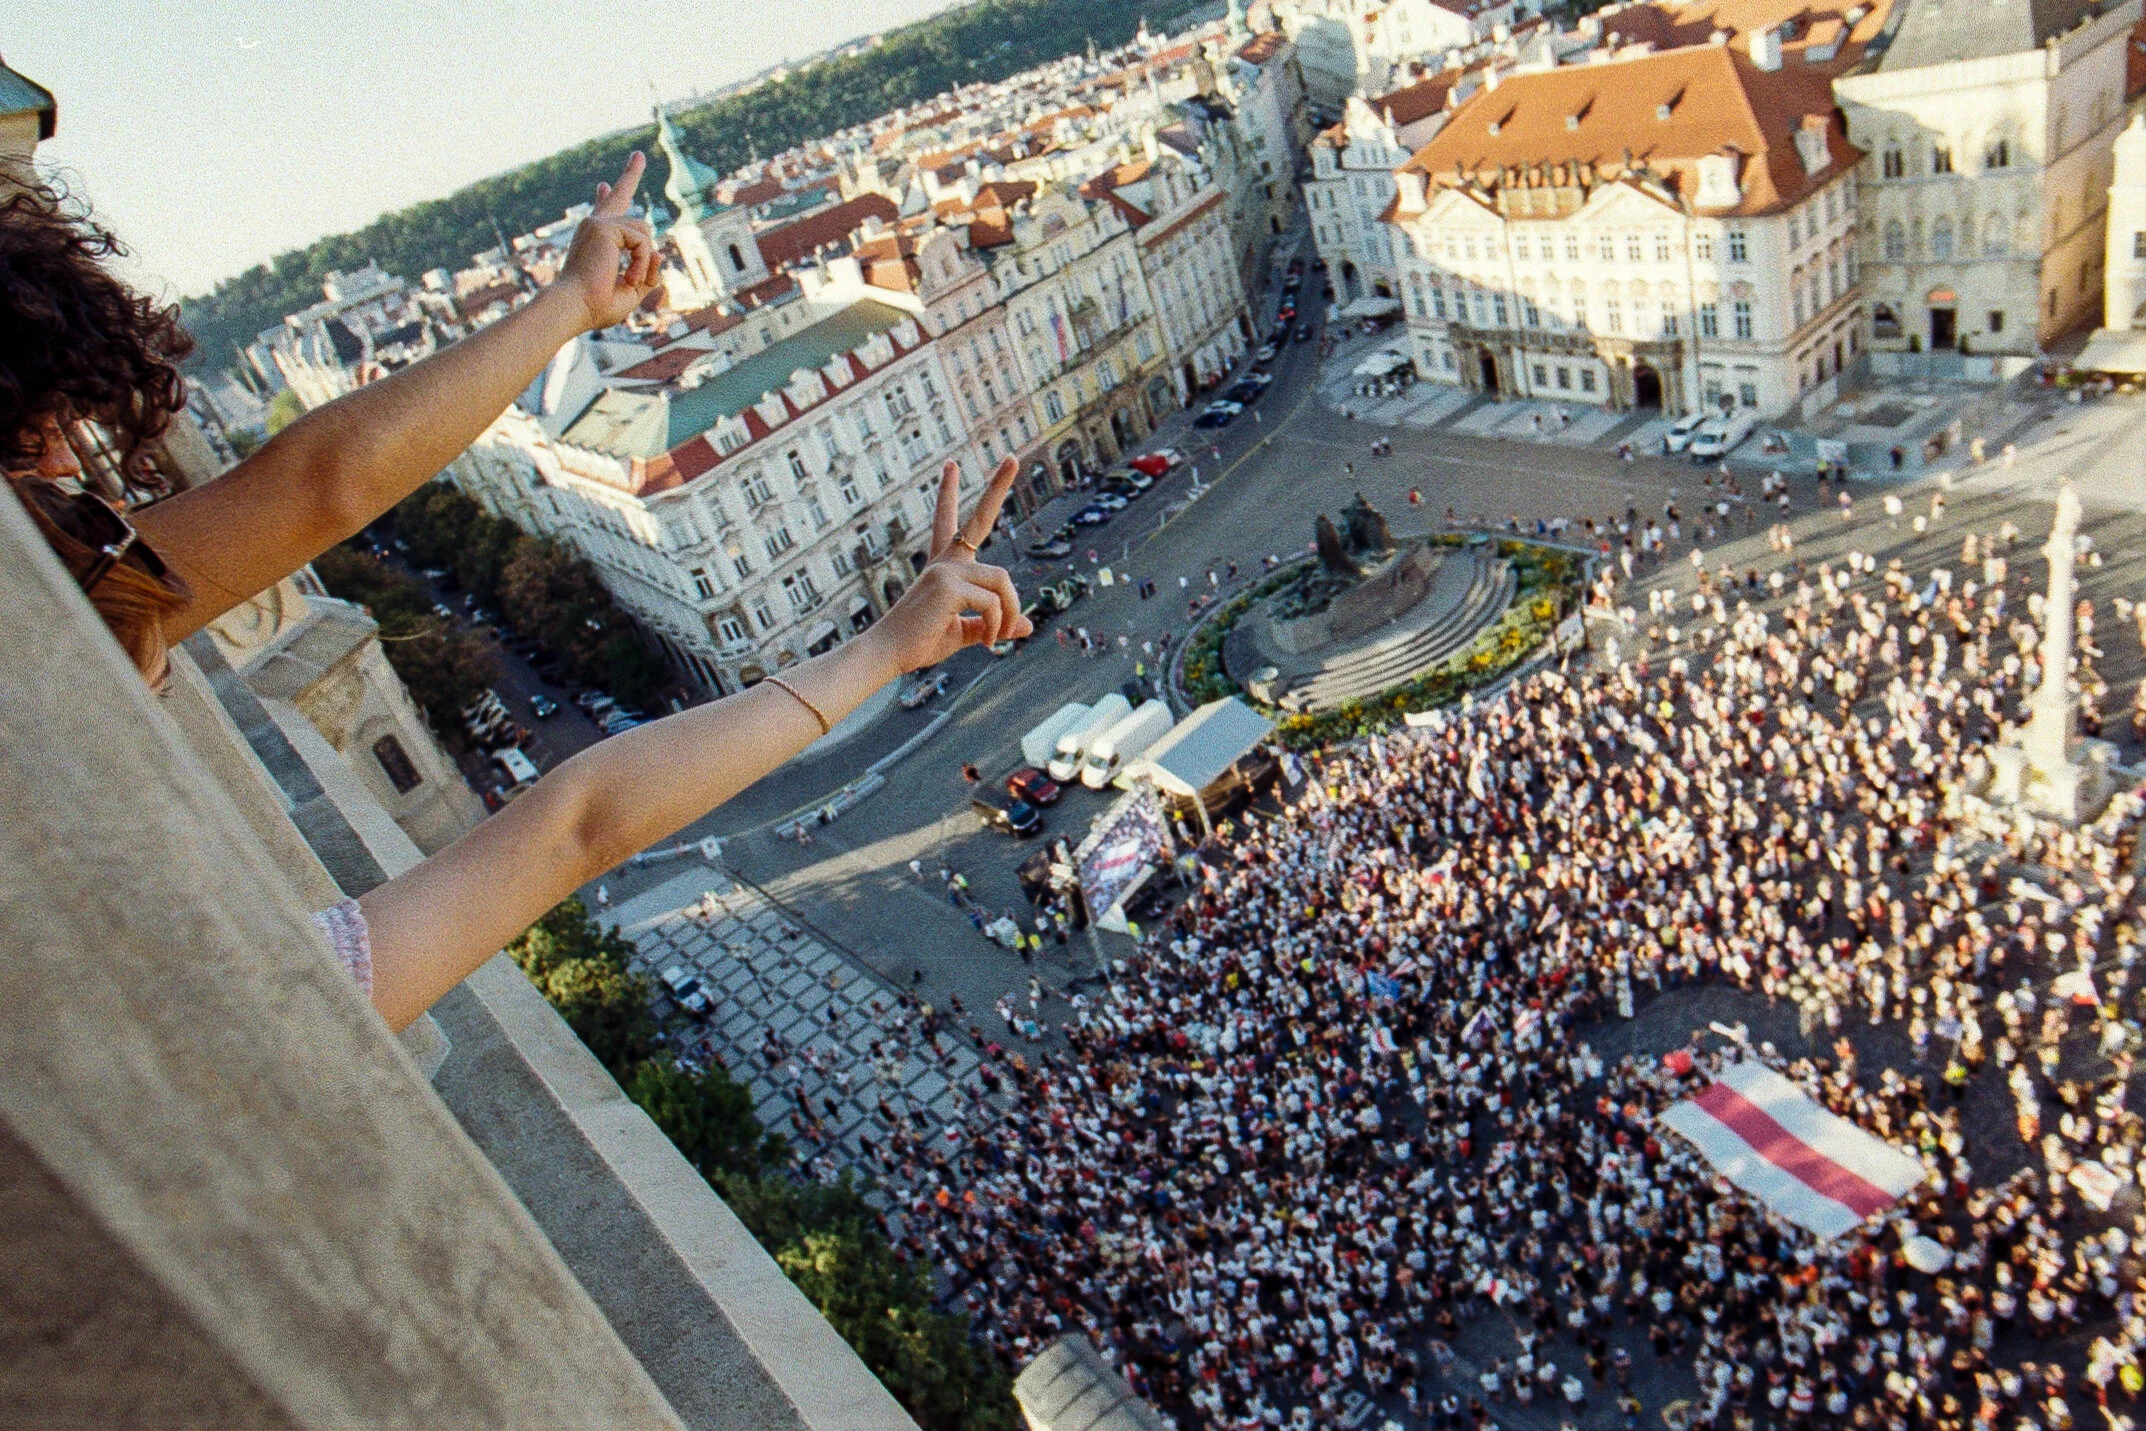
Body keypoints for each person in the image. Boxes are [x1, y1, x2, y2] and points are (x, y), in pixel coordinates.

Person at [2, 159, 1031, 1034]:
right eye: (39, 456)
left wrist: (571, 306)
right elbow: (577, 826)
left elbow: (324, 487)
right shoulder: (258, 1006)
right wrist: (883, 650)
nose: (76, 484)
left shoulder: (49, 599)